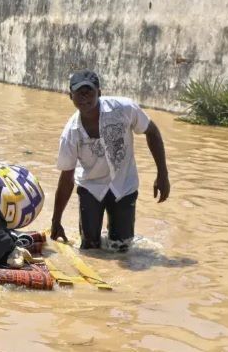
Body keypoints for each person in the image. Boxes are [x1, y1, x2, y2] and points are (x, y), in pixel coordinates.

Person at [50, 70, 170, 252]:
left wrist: (162, 174)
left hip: (124, 185)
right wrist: (56, 220)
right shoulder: (71, 133)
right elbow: (67, 177)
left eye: (89, 91)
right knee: (89, 248)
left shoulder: (124, 109)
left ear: (99, 92)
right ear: (70, 96)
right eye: (79, 93)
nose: (84, 97)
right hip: (91, 187)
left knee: (121, 248)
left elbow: (151, 131)